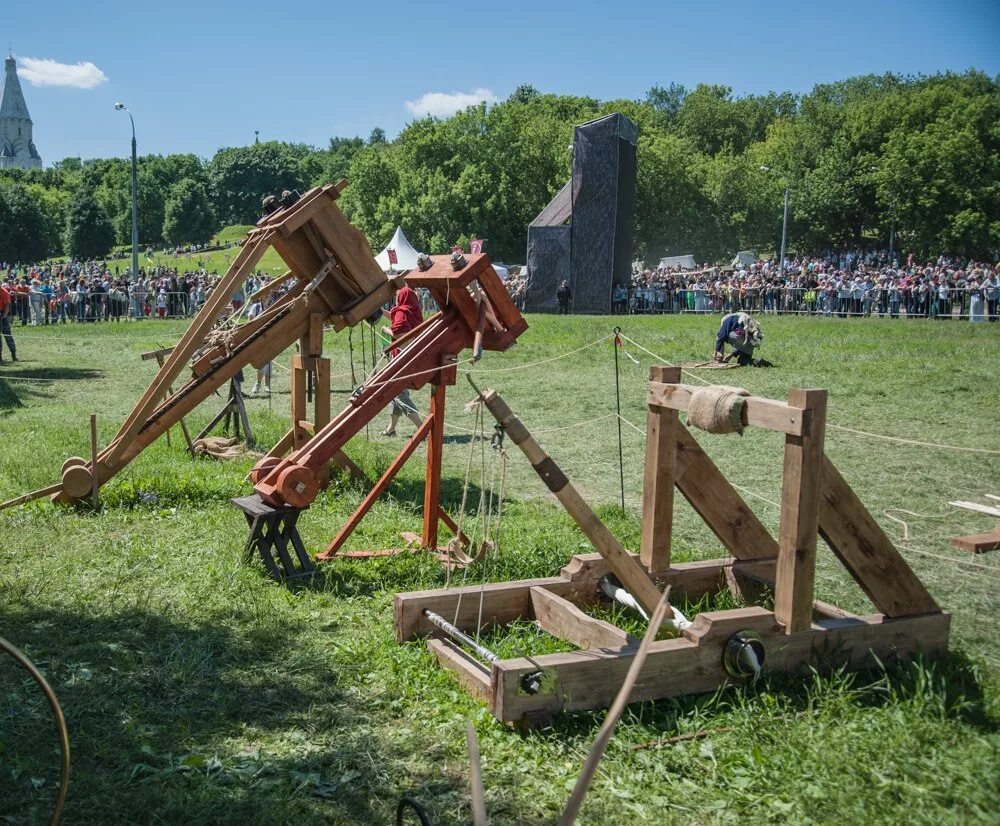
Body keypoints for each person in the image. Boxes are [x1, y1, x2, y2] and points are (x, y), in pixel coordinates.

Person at [381, 285, 424, 436]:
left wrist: (386, 330)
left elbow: (400, 335)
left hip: (401, 358)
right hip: (411, 356)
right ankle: (391, 429)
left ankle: (422, 428)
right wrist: (380, 311)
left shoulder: (401, 312)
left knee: (399, 394)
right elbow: (397, 318)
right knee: (396, 393)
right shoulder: (413, 310)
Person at [247, 300, 271, 395]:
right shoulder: (256, 307)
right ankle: (258, 383)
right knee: (262, 361)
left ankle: (267, 384)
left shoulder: (272, 304)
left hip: (269, 336)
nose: (268, 295)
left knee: (269, 361)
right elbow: (250, 320)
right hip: (258, 337)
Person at [0, 279, 17, 362]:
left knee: (8, 336)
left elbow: (7, 306)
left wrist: (4, 316)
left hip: (3, 315)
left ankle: (13, 355)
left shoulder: (4, 292)